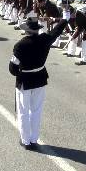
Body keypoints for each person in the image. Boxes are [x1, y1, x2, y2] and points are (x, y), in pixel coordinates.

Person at [9, 17, 68, 150]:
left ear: (26, 31)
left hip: (24, 80)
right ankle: (34, 139)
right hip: (40, 78)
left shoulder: (20, 45)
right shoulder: (45, 39)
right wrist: (59, 19)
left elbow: (12, 68)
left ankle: (25, 140)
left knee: (23, 111)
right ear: (37, 30)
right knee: (36, 110)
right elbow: (60, 28)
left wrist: (20, 73)